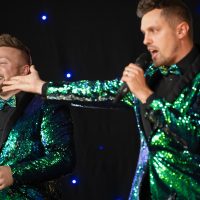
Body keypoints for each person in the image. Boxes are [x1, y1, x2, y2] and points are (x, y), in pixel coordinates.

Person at [3, 0, 200, 199]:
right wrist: (43, 87)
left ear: (181, 30)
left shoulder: (158, 85)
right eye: (144, 33)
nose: (146, 40)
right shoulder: (151, 75)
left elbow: (192, 135)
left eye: (153, 31)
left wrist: (146, 96)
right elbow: (98, 91)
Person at [0, 34, 75, 199]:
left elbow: (63, 158)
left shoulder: (47, 105)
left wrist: (14, 173)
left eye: (2, 63)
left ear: (25, 70)